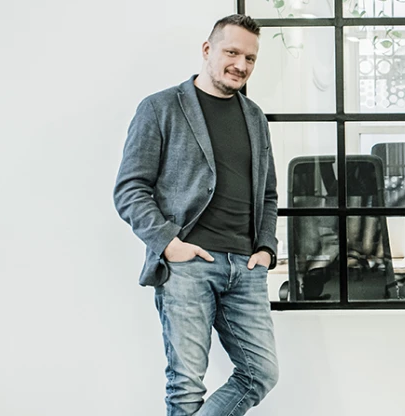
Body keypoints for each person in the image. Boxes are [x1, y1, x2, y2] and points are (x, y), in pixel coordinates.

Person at [113, 14, 279, 416]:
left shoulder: (255, 117)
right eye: (232, 52)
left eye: (250, 58)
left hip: (245, 268)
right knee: (186, 388)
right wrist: (170, 245)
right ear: (207, 50)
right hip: (188, 265)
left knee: (260, 373)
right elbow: (130, 189)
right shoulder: (160, 108)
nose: (241, 64)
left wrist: (265, 248)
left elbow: (268, 193)